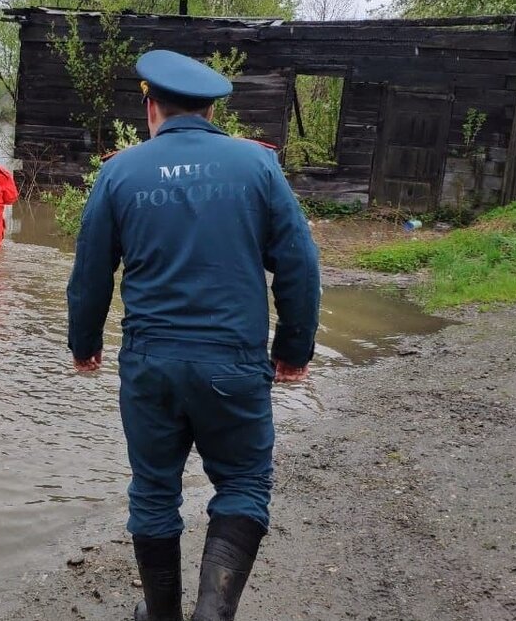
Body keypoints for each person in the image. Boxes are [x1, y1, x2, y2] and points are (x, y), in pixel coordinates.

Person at [65, 49, 321, 621]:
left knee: (154, 492)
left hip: (150, 363)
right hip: (233, 361)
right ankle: (213, 612)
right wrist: (294, 348)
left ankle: (160, 616)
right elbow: (300, 263)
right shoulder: (257, 167)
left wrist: (84, 344)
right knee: (243, 484)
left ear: (150, 107)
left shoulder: (119, 171)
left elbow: (89, 271)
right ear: (210, 109)